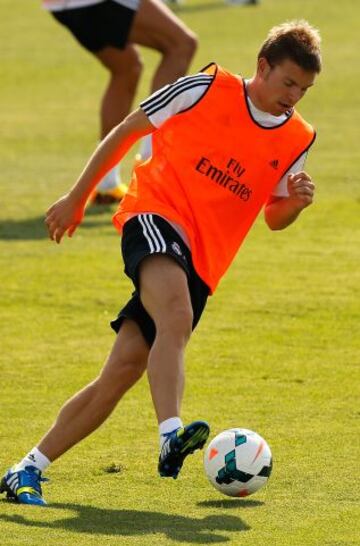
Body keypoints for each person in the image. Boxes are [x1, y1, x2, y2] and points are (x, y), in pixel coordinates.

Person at [1, 20, 322, 506]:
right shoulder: (206, 87)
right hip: (154, 216)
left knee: (123, 370)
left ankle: (26, 468)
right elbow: (127, 130)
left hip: (202, 262)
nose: (294, 96)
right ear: (263, 66)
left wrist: (294, 203)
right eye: (288, 83)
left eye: (304, 88)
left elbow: (273, 217)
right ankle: (171, 434)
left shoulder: (297, 136)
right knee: (177, 317)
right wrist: (77, 196)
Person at [43, 0, 198, 203]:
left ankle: (106, 184)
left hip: (61, 6)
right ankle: (151, 165)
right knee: (182, 44)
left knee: (127, 68)